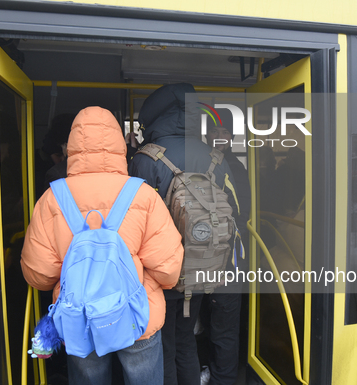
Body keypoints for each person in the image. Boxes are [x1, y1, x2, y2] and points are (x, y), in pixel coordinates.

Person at [21, 106, 184, 385]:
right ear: (119, 145)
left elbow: (39, 274)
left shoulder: (52, 198)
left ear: (71, 146)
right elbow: (168, 270)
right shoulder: (142, 195)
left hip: (80, 317)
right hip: (136, 315)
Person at [128, 83, 240, 385]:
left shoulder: (144, 159)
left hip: (160, 271)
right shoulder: (215, 156)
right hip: (204, 265)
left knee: (161, 342)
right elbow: (235, 210)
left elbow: (132, 224)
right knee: (186, 339)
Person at [204, 112, 251, 385]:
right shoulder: (205, 163)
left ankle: (222, 378)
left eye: (224, 132)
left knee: (223, 321)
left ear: (231, 138)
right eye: (214, 132)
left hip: (230, 256)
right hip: (206, 255)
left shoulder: (236, 168)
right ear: (207, 136)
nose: (219, 136)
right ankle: (214, 370)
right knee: (214, 319)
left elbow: (242, 214)